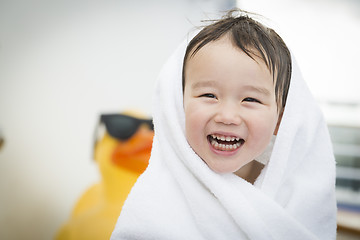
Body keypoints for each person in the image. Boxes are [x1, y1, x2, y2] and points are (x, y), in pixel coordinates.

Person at [111, 9, 337, 239]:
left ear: (281, 121)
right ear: (179, 107)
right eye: (209, 95)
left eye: (250, 99)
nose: (227, 116)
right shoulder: (155, 200)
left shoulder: (297, 197)